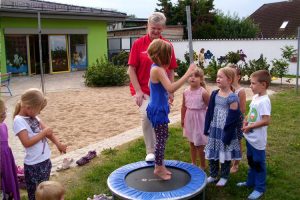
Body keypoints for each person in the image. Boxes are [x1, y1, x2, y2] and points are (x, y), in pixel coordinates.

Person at [128, 12, 177, 162]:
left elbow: (171, 69)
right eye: (153, 28)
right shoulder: (138, 44)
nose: (155, 31)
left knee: (158, 119)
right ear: (147, 26)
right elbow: (131, 69)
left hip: (160, 91)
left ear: (163, 28)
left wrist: (171, 93)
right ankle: (150, 150)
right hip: (143, 89)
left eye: (159, 29)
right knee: (146, 115)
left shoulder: (167, 45)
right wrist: (138, 91)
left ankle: (158, 149)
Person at [146, 39, 196, 180]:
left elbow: (157, 88)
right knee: (161, 140)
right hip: (158, 111)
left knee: (162, 137)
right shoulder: (158, 69)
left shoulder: (155, 68)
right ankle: (158, 168)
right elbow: (171, 87)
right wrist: (187, 73)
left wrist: (166, 98)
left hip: (157, 107)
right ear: (163, 55)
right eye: (169, 55)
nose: (171, 58)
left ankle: (160, 165)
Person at [13, 88, 67, 200]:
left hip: (45, 161)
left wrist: (58, 144)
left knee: (46, 193)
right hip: (33, 165)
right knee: (34, 195)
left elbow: (48, 132)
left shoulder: (34, 116)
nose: (39, 113)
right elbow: (26, 142)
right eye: (38, 110)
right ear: (28, 108)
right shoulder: (18, 121)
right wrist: (43, 133)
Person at [204, 67, 242, 187]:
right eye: (217, 76)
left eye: (221, 77)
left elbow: (233, 118)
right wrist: (207, 126)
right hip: (215, 128)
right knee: (213, 151)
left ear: (229, 80)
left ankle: (224, 176)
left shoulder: (232, 97)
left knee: (225, 154)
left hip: (226, 130)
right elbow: (210, 111)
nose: (217, 79)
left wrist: (228, 134)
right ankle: (213, 174)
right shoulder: (215, 93)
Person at [237, 70, 271, 200]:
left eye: (253, 83)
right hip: (250, 138)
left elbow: (266, 120)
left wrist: (250, 126)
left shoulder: (264, 101)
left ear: (263, 85)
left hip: (258, 141)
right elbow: (251, 113)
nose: (250, 86)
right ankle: (250, 182)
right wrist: (246, 121)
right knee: (251, 161)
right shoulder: (256, 98)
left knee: (258, 164)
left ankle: (259, 188)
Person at [181, 69, 209, 169]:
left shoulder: (203, 92)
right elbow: (183, 106)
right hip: (189, 119)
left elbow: (210, 108)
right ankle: (193, 163)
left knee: (200, 144)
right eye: (190, 76)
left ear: (201, 79)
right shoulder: (185, 92)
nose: (192, 78)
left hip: (200, 120)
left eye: (196, 76)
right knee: (192, 143)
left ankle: (202, 165)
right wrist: (182, 119)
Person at [0, 99, 21, 200]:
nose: (5, 115)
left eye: (5, 111)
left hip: (6, 161)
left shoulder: (3, 126)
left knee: (9, 186)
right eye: (2, 112)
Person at [229, 64, 247, 173]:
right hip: (227, 119)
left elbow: (243, 109)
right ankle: (229, 159)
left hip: (236, 120)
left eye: (232, 74)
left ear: (238, 77)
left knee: (237, 141)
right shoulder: (226, 88)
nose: (229, 76)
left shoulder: (240, 91)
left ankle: (236, 164)